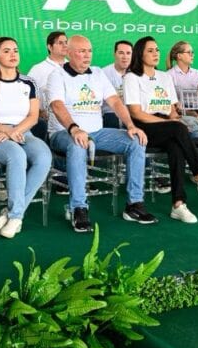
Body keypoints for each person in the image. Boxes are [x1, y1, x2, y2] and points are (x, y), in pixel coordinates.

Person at [47, 35, 151, 232]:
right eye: (81, 51)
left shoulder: (97, 73)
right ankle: (78, 207)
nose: (87, 56)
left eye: (89, 51)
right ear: (68, 53)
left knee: (136, 141)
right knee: (78, 145)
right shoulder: (57, 75)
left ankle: (134, 204)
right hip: (64, 132)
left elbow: (115, 101)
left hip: (98, 132)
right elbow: (57, 105)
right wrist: (74, 128)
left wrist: (130, 125)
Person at [123, 37, 198, 224]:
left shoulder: (165, 77)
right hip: (144, 126)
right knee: (178, 129)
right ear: (140, 54)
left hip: (167, 125)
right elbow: (136, 113)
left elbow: (171, 109)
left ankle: (178, 205)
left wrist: (175, 120)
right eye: (150, 50)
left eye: (157, 50)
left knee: (176, 146)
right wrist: (173, 124)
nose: (155, 53)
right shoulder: (132, 77)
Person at [0, 37, 52, 238]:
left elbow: (33, 116)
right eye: (6, 51)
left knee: (44, 156)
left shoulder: (28, 82)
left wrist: (16, 131)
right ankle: (17, 215)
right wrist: (6, 130)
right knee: (16, 155)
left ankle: (12, 213)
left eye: (15, 50)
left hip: (23, 131)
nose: (12, 55)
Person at [26, 31, 69, 138]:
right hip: (48, 122)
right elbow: (26, 96)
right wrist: (38, 112)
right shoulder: (38, 69)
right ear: (50, 47)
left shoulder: (74, 68)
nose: (65, 46)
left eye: (66, 42)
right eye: (60, 43)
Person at [101, 40, 132, 129]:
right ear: (114, 54)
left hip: (132, 112)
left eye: (128, 53)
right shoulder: (103, 73)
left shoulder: (136, 73)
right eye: (121, 53)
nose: (125, 57)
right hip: (110, 113)